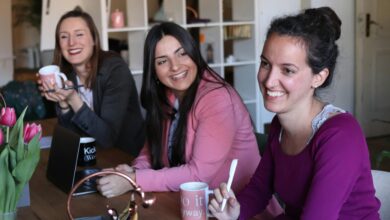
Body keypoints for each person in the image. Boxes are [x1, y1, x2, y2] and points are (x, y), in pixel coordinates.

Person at [209, 7, 381, 220]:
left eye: (287, 70)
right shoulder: (279, 126)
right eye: (265, 64)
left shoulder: (340, 136)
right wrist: (234, 211)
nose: (269, 80)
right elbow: (260, 189)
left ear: (318, 77)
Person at [96, 22, 282, 216]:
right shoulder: (167, 95)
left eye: (182, 53)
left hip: (240, 210)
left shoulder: (216, 97)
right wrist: (132, 171)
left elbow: (198, 174)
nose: (175, 66)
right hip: (195, 208)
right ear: (154, 71)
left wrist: (134, 179)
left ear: (194, 53)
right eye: (162, 61)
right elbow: (150, 151)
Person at [38, 9, 145, 156]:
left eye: (79, 34)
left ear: (94, 39)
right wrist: (63, 104)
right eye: (64, 37)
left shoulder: (115, 70)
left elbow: (107, 139)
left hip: (125, 157)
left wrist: (74, 99)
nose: (71, 42)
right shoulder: (66, 75)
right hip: (91, 155)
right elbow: (71, 137)